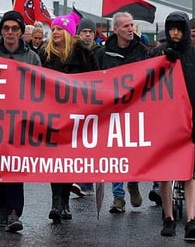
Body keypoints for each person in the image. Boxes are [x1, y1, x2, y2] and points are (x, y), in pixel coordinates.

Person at [148, 12, 195, 239]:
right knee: (165, 172)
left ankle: (191, 218)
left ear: (186, 30)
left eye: (179, 29)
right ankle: (168, 218)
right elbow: (143, 84)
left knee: (189, 172)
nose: (175, 33)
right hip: (163, 124)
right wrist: (161, 61)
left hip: (189, 123)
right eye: (171, 29)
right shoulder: (157, 54)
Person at [0, 10, 41, 232]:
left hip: (21, 121)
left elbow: (40, 88)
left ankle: (15, 211)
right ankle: (3, 207)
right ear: (1, 30)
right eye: (6, 28)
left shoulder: (32, 57)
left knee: (15, 165)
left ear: (21, 31)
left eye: (15, 28)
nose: (10, 32)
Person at [40, 11, 98, 223]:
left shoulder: (84, 54)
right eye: (53, 29)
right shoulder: (44, 54)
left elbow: (96, 83)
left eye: (59, 29)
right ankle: (57, 203)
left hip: (76, 115)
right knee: (56, 159)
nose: (54, 32)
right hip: (52, 114)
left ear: (68, 33)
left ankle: (64, 203)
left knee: (69, 159)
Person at [95, 11, 149, 212]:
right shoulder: (103, 53)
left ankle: (133, 181)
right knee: (114, 151)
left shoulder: (142, 51)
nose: (130, 29)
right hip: (111, 110)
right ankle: (118, 196)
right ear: (115, 29)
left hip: (136, 109)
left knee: (133, 149)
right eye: (126, 26)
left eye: (132, 25)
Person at [70, 17, 103, 197]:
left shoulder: (101, 52)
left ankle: (88, 183)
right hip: (77, 103)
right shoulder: (73, 51)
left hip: (95, 103)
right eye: (84, 31)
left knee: (92, 144)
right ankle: (81, 181)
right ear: (78, 33)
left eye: (90, 32)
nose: (88, 35)